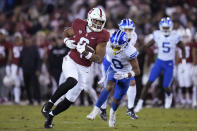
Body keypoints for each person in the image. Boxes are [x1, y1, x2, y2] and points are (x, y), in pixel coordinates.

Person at [41, 7, 110, 129]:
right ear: (89, 19)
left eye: (100, 22)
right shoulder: (79, 24)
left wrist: (87, 53)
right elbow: (66, 32)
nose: (98, 24)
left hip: (85, 68)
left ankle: (51, 115)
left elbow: (99, 59)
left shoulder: (103, 35)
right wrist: (67, 41)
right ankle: (48, 105)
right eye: (96, 20)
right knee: (72, 80)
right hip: (71, 60)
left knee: (70, 99)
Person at [86, 29, 140, 127]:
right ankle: (95, 110)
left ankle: (112, 113)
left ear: (124, 44)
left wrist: (125, 75)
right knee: (108, 86)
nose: (114, 48)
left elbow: (137, 71)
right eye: (113, 46)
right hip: (113, 70)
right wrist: (105, 75)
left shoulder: (130, 51)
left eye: (117, 46)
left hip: (125, 74)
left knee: (116, 99)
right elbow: (102, 58)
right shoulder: (107, 45)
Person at [134, 17, 186, 112]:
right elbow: (147, 45)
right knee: (149, 82)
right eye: (164, 28)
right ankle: (140, 103)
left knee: (166, 86)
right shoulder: (157, 34)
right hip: (159, 62)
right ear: (161, 27)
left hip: (169, 63)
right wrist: (139, 51)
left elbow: (183, 48)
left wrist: (184, 61)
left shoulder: (175, 36)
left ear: (170, 27)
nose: (166, 30)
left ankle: (169, 96)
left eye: (167, 28)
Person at [98, 18, 138, 121]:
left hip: (122, 63)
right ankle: (102, 109)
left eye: (130, 29)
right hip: (109, 62)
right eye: (126, 30)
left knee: (132, 82)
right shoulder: (112, 34)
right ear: (120, 29)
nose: (128, 32)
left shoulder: (134, 36)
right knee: (108, 86)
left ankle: (130, 108)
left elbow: (127, 53)